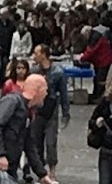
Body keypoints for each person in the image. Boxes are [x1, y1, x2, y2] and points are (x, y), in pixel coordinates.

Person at [0, 74, 49, 184]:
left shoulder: (27, 110)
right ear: (37, 90)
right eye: (45, 90)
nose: (46, 94)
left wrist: (42, 174)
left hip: (5, 163)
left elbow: (29, 145)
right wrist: (0, 155)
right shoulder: (12, 101)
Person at [31, 44, 70, 182]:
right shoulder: (34, 71)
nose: (34, 56)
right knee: (37, 142)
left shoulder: (58, 73)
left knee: (51, 142)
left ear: (43, 55)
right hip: (37, 111)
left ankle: (52, 170)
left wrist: (65, 112)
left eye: (36, 53)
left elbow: (64, 93)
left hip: (51, 111)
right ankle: (41, 171)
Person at [80, 27, 112, 97]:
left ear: (87, 33)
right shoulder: (95, 36)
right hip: (101, 61)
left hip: (103, 61)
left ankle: (99, 97)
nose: (84, 37)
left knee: (100, 80)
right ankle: (96, 95)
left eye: (84, 35)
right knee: (97, 79)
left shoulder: (95, 38)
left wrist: (82, 58)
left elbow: (91, 51)